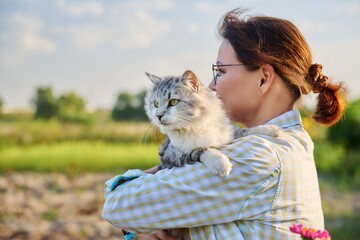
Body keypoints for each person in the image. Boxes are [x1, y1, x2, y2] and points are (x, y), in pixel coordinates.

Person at [102, 8, 346, 240]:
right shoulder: (293, 143)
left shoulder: (257, 157)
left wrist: (146, 176)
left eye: (220, 71)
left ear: (263, 78)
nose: (210, 85)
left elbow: (117, 206)